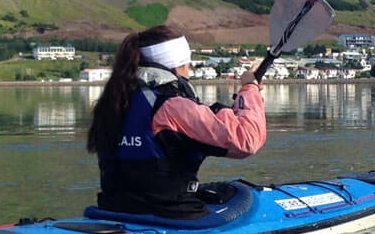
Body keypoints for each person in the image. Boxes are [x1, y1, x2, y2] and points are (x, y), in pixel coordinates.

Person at [86, 24, 264, 219]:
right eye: (188, 64)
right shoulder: (172, 106)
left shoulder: (112, 102)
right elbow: (246, 140)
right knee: (239, 194)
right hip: (172, 213)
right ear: (179, 65)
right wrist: (249, 89)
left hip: (114, 209)